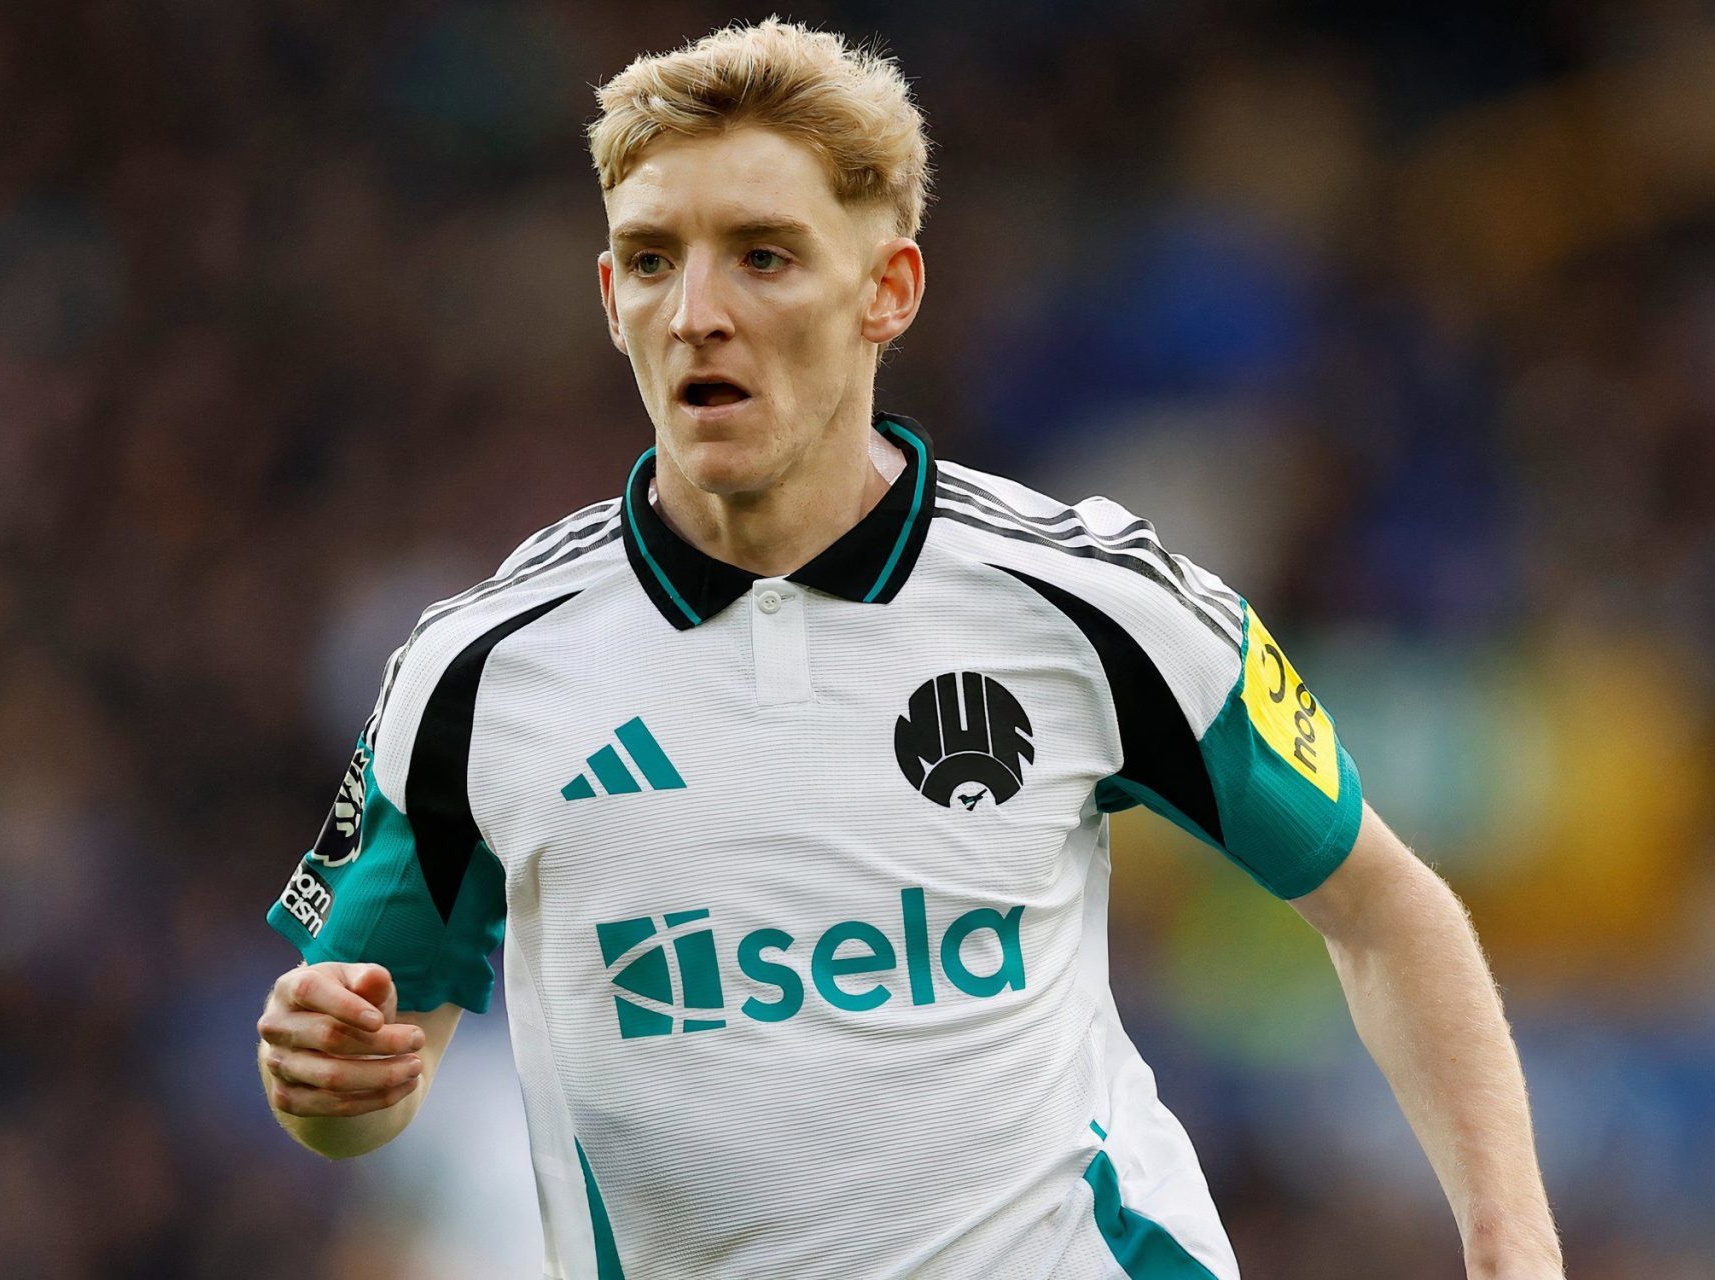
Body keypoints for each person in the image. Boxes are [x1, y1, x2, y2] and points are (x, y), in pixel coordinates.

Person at [256, 19, 1562, 1279]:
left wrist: (1515, 1251)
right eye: (653, 260)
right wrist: (324, 1086)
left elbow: (1383, 909)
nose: (698, 310)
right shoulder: (474, 673)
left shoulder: (1092, 604)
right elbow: (362, 1077)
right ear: (611, 297)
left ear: (887, 290)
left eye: (763, 256)